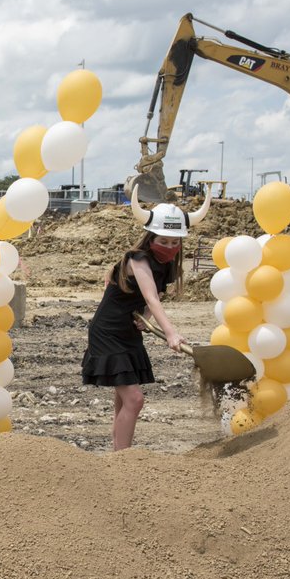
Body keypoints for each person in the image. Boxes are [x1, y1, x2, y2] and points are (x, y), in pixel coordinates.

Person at [81, 186, 211, 450]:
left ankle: (117, 455)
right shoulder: (138, 260)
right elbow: (150, 295)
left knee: (123, 399)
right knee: (134, 400)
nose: (170, 247)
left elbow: (153, 299)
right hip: (108, 332)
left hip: (129, 331)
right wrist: (171, 333)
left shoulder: (164, 265)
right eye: (164, 241)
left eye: (175, 242)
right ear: (150, 238)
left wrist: (146, 318)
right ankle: (124, 460)